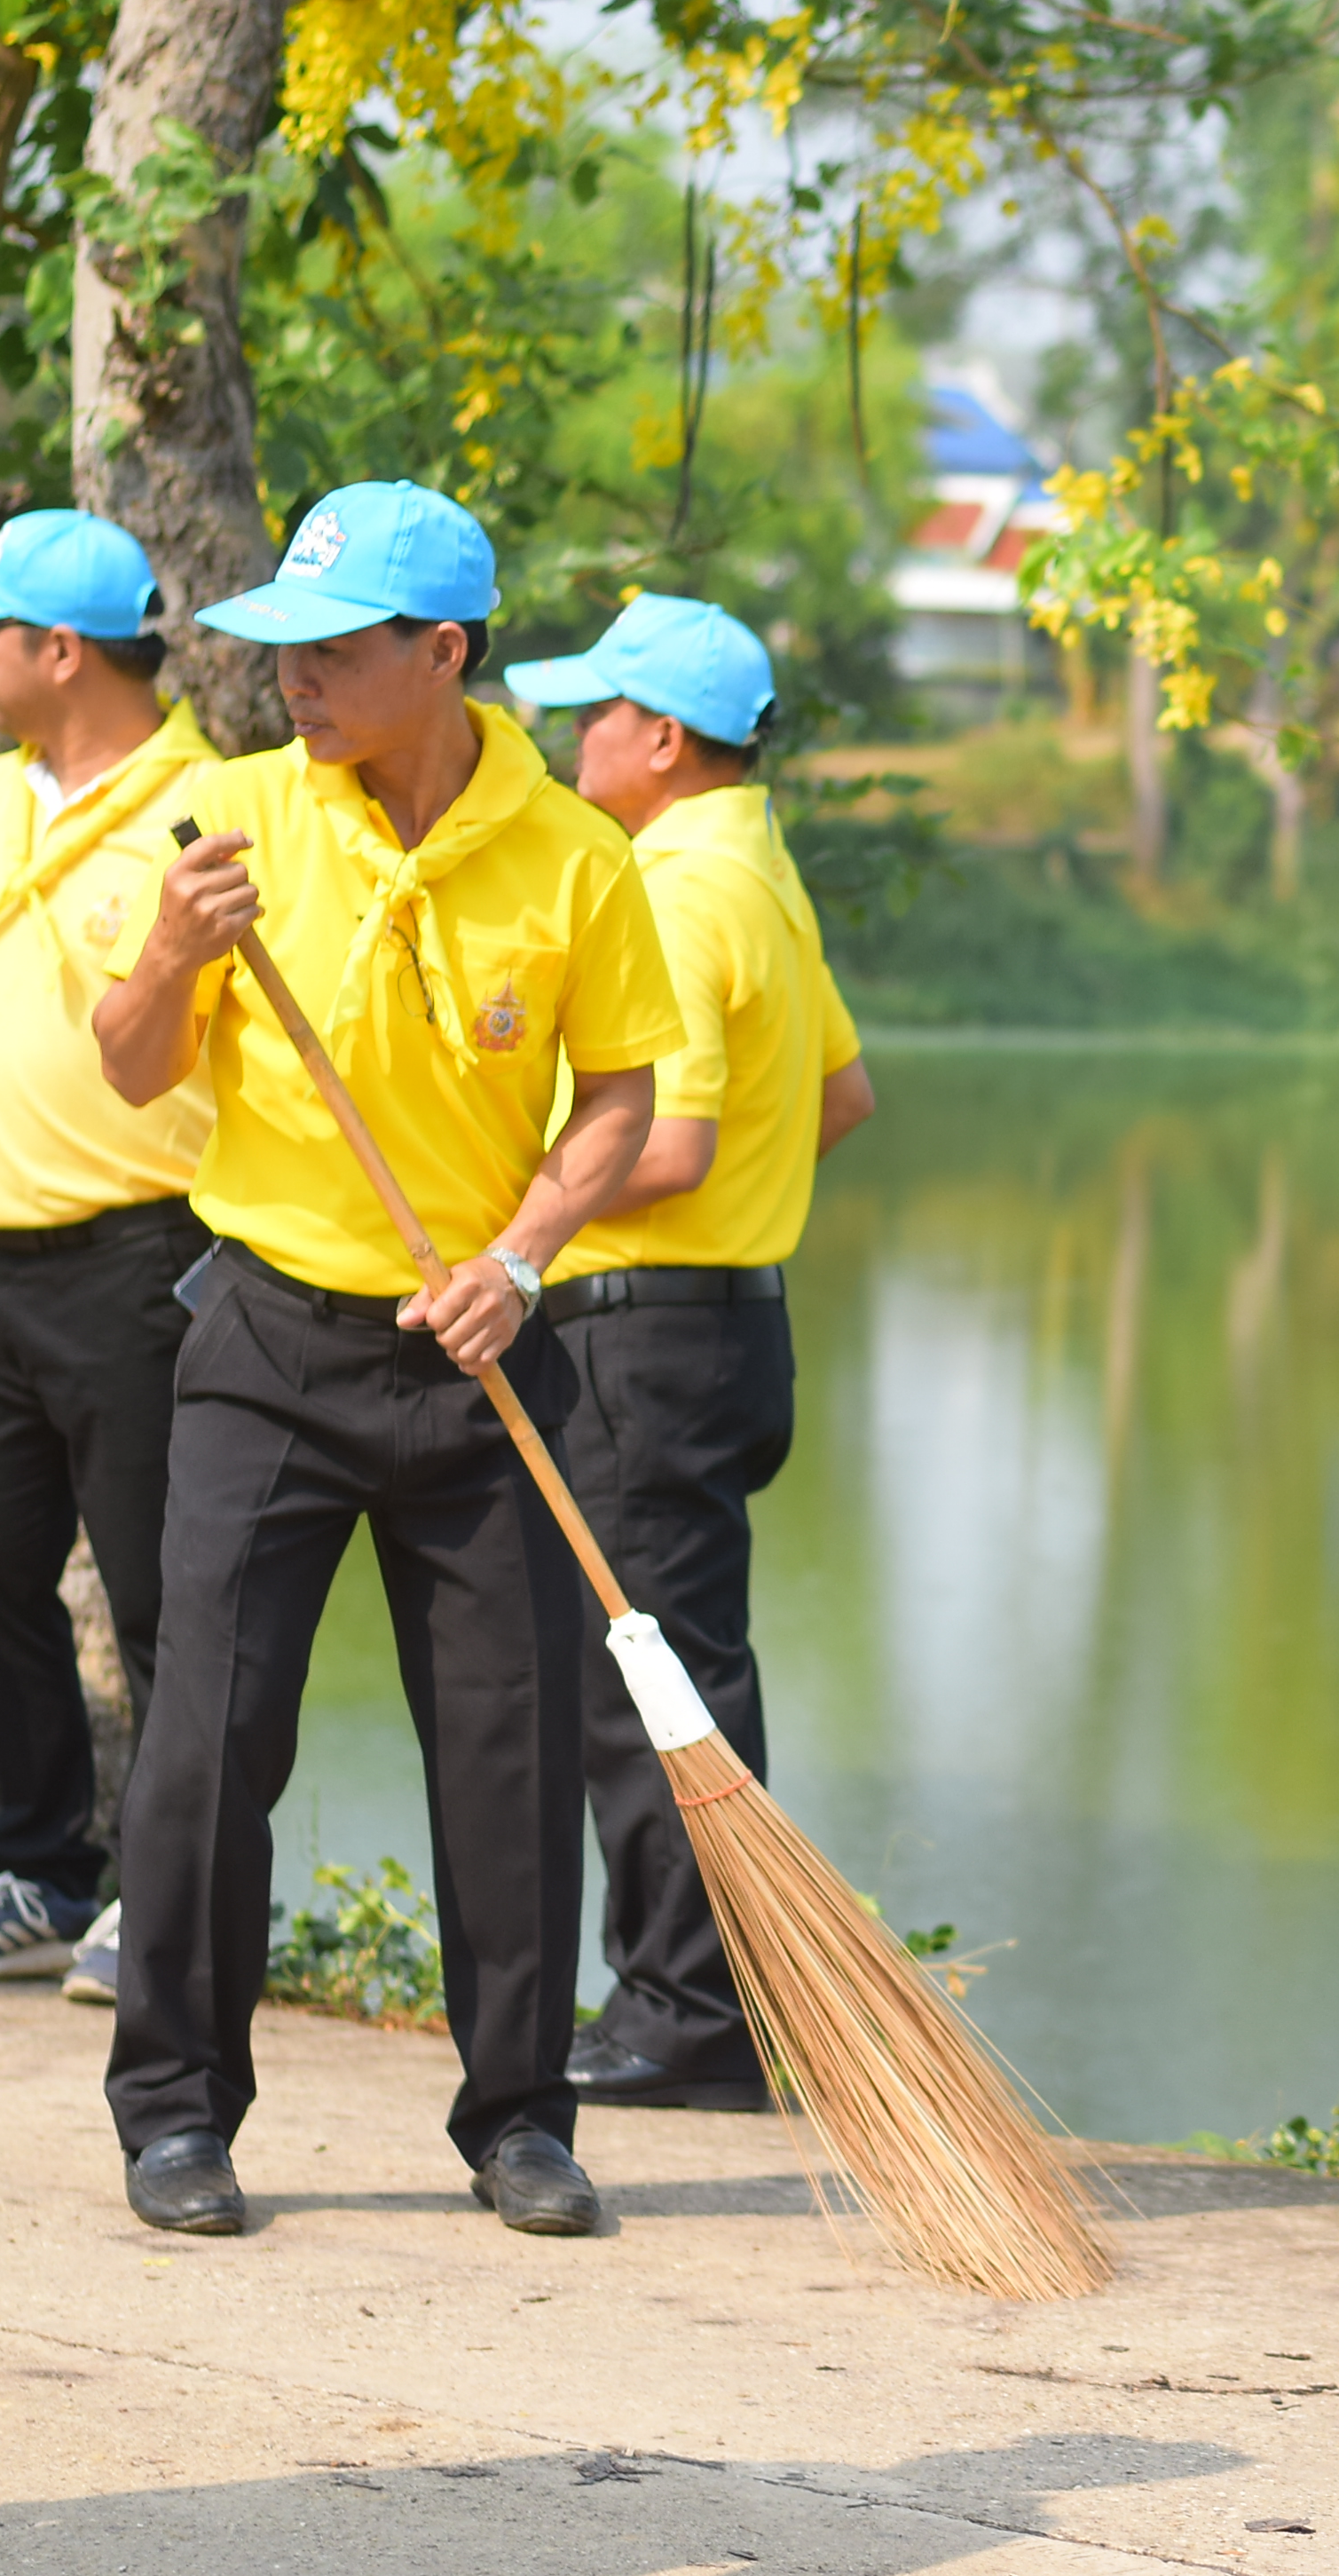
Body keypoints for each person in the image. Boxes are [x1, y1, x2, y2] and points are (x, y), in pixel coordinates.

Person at [90, 481, 686, 2240]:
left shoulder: (578, 855)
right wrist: (171, 955)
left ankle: (520, 2117)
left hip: (479, 1357)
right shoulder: (232, 821)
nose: (297, 685)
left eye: (335, 655)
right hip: (268, 1340)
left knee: (510, 1756)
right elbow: (132, 1067)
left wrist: (523, 1257)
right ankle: (176, 2118)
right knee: (205, 1738)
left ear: (443, 654)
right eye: (281, 652)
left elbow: (627, 1098)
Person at [500, 597, 876, 2113]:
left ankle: (686, 2012)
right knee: (681, 1666)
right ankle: (705, 1996)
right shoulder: (761, 873)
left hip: (646, 1336)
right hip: (727, 1325)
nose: (569, 734)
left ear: (661, 739)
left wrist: (516, 1213)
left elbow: (676, 1135)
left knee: (643, 1684)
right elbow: (842, 1100)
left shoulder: (669, 886)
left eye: (594, 712)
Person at [0, 513, 213, 1997]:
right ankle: (33, 1869)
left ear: (58, 650)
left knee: (164, 1592)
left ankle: (179, 1898)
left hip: (142, 1260)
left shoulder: (206, 811)